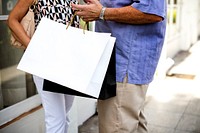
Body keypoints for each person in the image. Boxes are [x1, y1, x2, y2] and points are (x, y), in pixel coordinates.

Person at [72, 0, 167, 133]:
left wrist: (102, 13)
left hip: (124, 62)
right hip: (116, 59)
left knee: (116, 126)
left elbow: (151, 11)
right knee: (129, 122)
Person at [7, 0, 80, 132]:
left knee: (64, 114)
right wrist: (32, 47)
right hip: (45, 61)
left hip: (70, 60)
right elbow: (12, 20)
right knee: (56, 119)